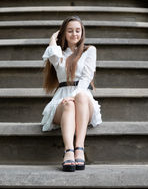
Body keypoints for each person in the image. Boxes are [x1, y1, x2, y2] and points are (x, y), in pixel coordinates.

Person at [41, 16, 102, 172]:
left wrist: (74, 95)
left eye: (77, 30)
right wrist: (53, 37)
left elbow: (87, 77)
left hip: (83, 99)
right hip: (62, 98)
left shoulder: (90, 51)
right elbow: (52, 55)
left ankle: (79, 148)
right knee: (68, 104)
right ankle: (68, 151)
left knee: (80, 97)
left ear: (82, 32)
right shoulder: (59, 53)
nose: (74, 34)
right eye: (70, 31)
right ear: (64, 33)